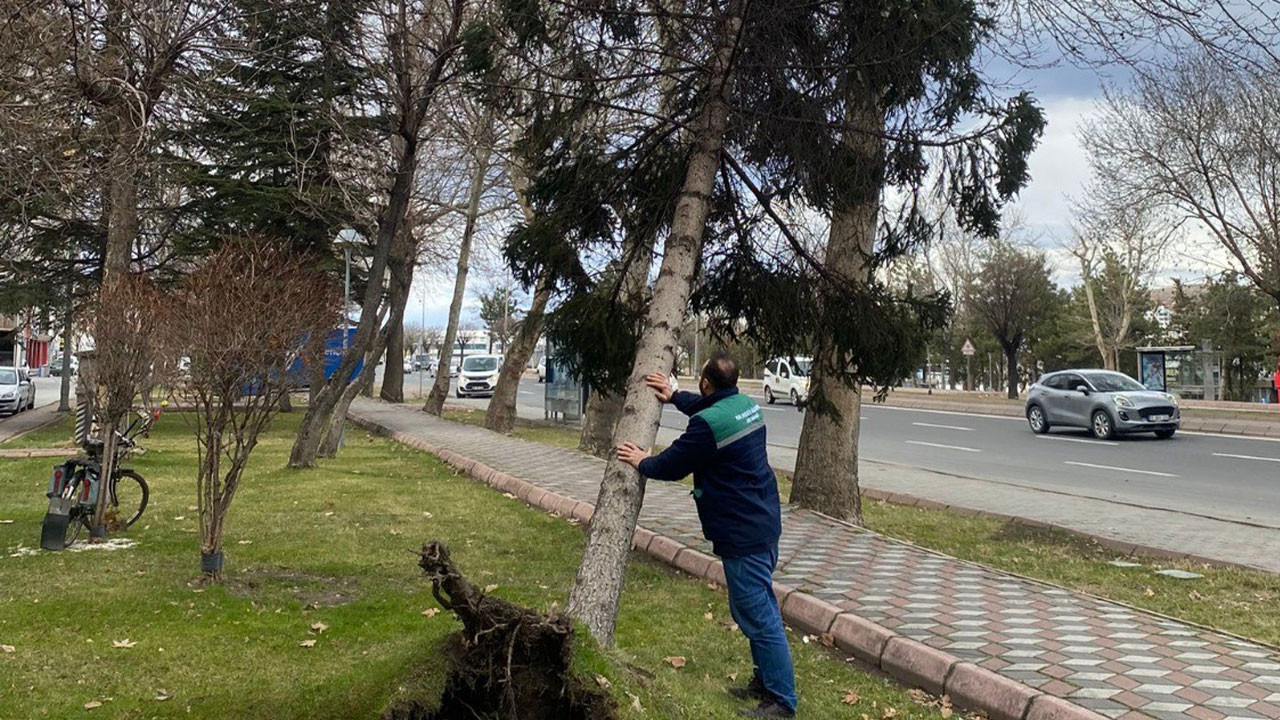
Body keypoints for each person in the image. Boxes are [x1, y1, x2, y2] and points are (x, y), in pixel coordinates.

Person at [616, 352, 796, 718]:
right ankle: (765, 681)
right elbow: (707, 409)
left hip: (742, 531)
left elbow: (673, 464)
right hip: (762, 520)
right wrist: (675, 396)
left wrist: (642, 461)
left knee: (759, 615)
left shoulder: (709, 426)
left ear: (705, 382)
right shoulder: (745, 405)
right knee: (753, 607)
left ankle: (781, 701)